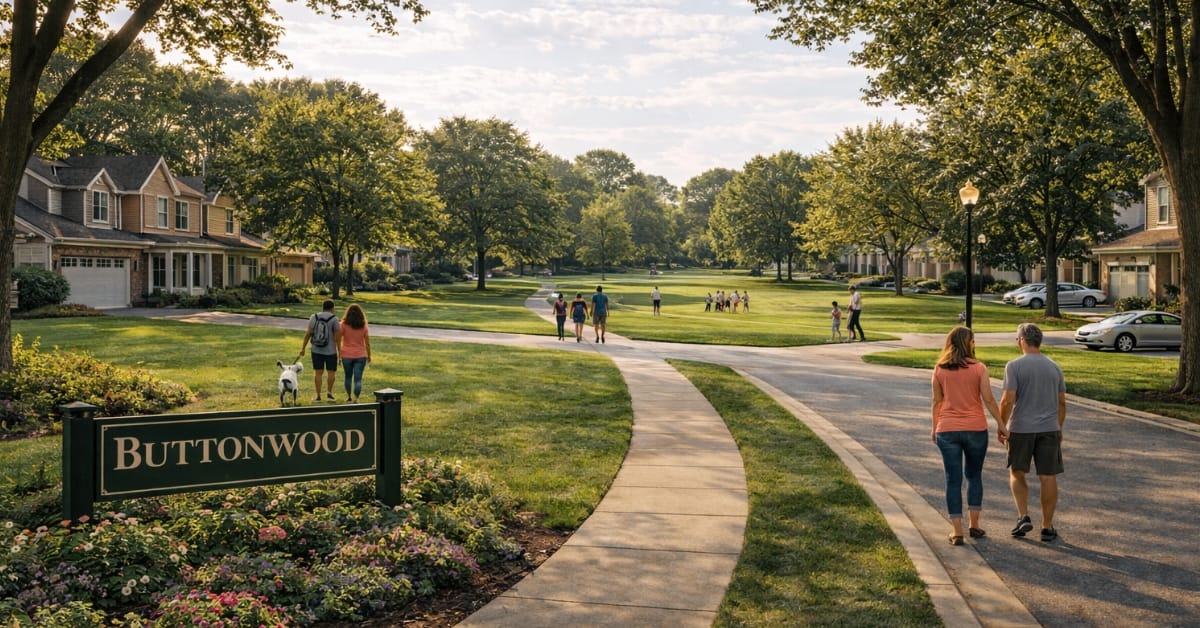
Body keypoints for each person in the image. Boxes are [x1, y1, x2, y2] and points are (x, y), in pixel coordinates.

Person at [931, 326, 1006, 546]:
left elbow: (937, 401)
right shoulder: (979, 368)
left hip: (947, 429)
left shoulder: (939, 369)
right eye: (973, 341)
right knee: (974, 476)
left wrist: (934, 427)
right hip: (975, 429)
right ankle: (974, 525)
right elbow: (989, 400)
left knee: (953, 480)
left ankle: (957, 531)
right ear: (970, 343)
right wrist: (1002, 425)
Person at [1001, 323, 1067, 543]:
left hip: (1021, 429)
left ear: (1021, 340)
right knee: (1048, 477)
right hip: (1049, 429)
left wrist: (1002, 425)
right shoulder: (1054, 367)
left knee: (1017, 472)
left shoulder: (1014, 366)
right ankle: (1047, 527)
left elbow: (1008, 399)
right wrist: (1059, 427)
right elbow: (1061, 403)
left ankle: (1023, 516)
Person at [298, 299, 340, 402]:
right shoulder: (334, 319)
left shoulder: (314, 317)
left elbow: (308, 334)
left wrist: (303, 348)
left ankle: (318, 396)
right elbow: (337, 338)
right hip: (331, 351)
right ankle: (329, 394)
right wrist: (340, 353)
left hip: (316, 350)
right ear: (332, 308)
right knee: (331, 373)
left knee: (318, 373)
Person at [338, 303, 371, 403]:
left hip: (346, 355)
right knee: (358, 379)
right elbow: (367, 343)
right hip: (360, 355)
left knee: (348, 377)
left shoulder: (343, 324)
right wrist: (369, 355)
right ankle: (356, 398)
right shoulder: (363, 325)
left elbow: (338, 340)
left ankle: (348, 397)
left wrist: (339, 355)